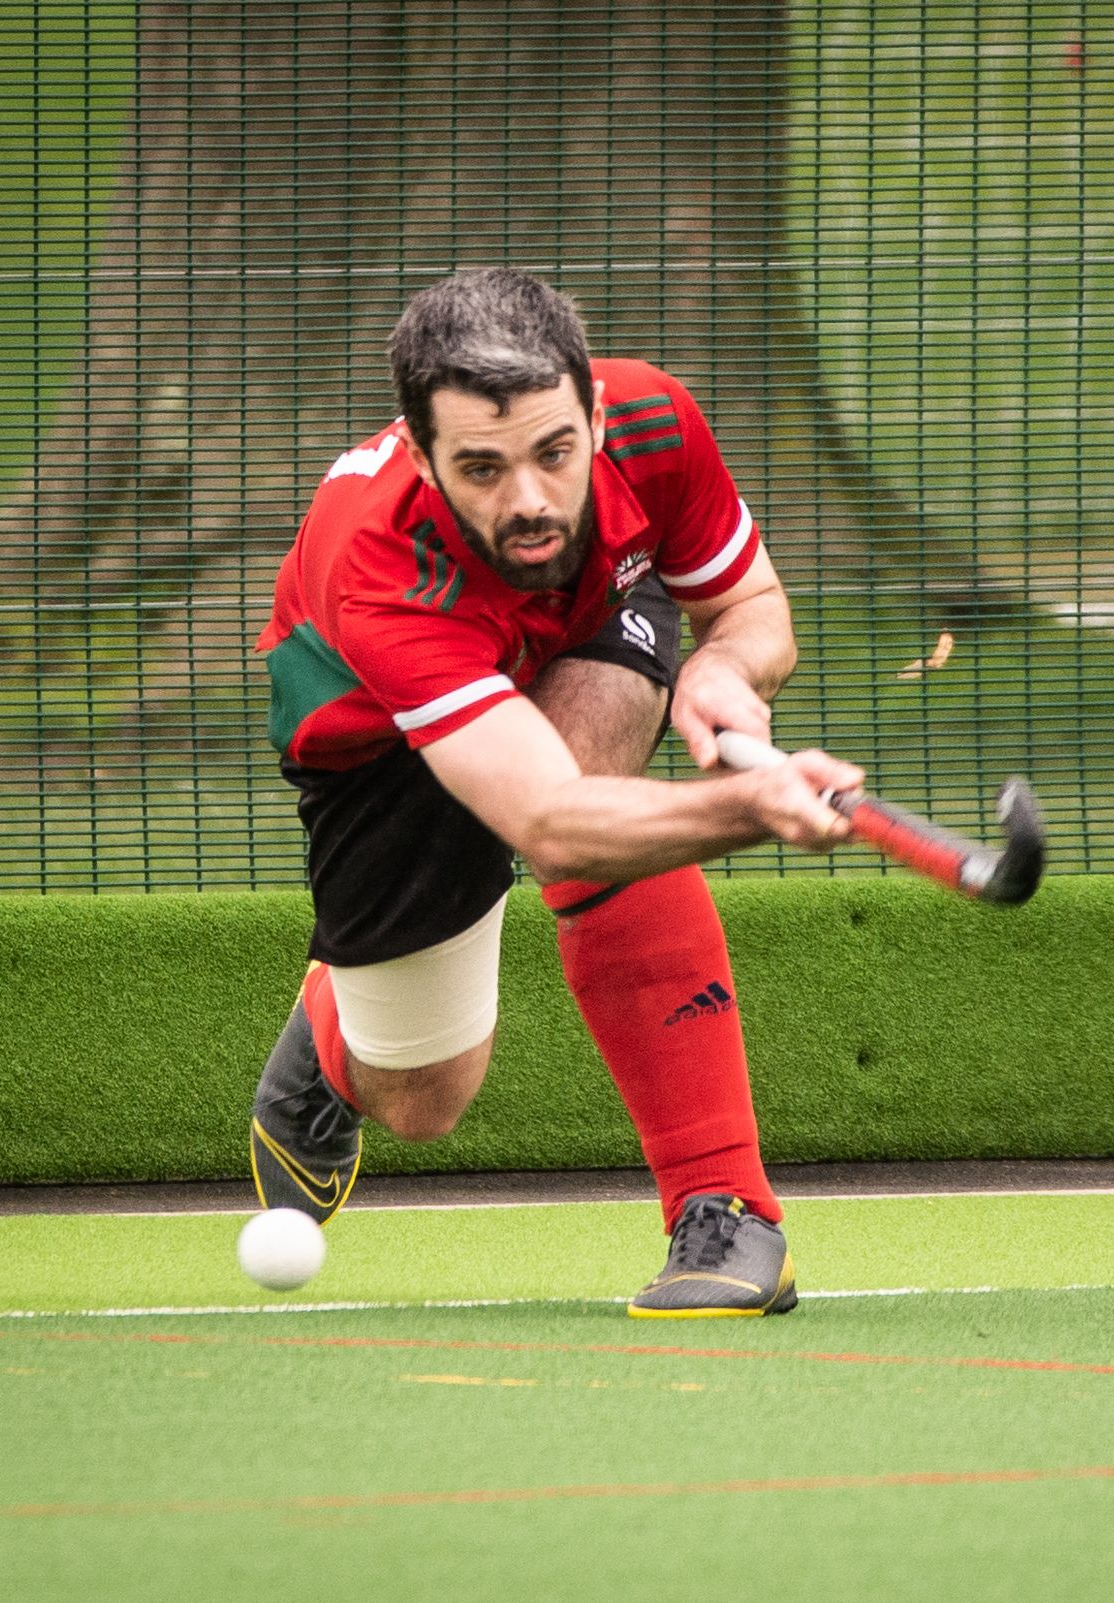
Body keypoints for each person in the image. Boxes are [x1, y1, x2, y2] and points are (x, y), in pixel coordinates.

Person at [247, 267, 861, 1317]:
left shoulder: (655, 421)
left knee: (599, 797)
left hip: (584, 610)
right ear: (423, 456)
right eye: (481, 468)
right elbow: (546, 817)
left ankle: (726, 1209)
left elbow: (752, 605)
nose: (529, 499)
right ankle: (338, 1032)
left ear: (596, 414)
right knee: (424, 1102)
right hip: (374, 727)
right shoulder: (380, 567)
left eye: (554, 453)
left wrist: (724, 667)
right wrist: (750, 807)